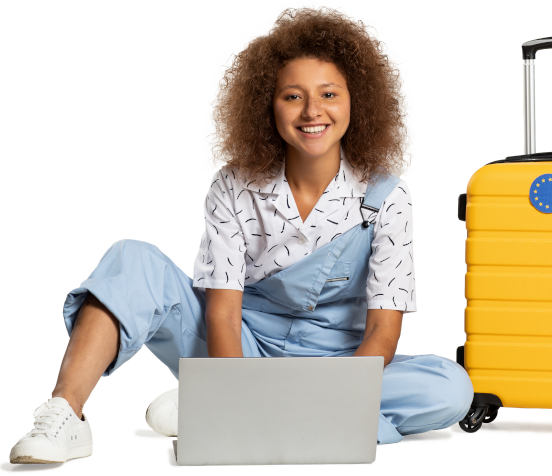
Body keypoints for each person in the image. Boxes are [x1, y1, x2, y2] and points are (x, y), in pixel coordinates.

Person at [9, 6, 473, 465]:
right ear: (267, 105)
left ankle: (212, 407)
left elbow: (381, 330)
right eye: (293, 96)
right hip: (239, 350)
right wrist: (237, 389)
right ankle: (65, 412)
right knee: (132, 260)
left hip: (341, 365)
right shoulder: (235, 185)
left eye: (329, 93)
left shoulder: (387, 195)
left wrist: (340, 396)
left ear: (357, 100)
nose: (313, 111)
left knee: (450, 388)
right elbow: (225, 317)